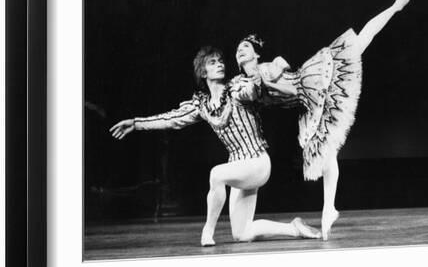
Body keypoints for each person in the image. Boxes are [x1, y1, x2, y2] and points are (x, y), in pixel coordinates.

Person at [234, 0, 415, 240]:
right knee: (328, 152)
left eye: (245, 47)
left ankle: (395, 7)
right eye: (238, 49)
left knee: (359, 42)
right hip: (306, 106)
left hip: (310, 83)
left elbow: (283, 68)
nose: (241, 50)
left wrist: (271, 76)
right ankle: (329, 207)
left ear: (255, 53)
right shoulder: (246, 83)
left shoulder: (264, 69)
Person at [109, 46, 321, 246]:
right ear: (203, 72)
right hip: (238, 169)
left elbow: (251, 90)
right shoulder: (202, 105)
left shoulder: (236, 88)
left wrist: (257, 81)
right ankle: (295, 228)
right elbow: (171, 119)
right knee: (242, 234)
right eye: (212, 62)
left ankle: (207, 231)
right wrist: (136, 123)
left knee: (216, 174)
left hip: (257, 162)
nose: (220, 64)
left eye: (220, 61)